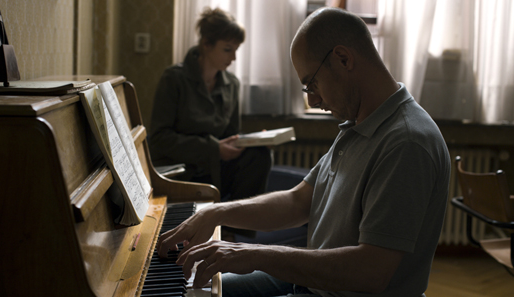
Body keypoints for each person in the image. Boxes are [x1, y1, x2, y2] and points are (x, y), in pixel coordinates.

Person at [157, 7, 450, 297]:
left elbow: (371, 271)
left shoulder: (406, 143)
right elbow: (298, 202)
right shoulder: (360, 124)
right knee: (190, 294)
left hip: (335, 290)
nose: (312, 101)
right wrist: (216, 214)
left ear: (343, 58)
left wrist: (254, 254)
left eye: (312, 83)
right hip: (313, 282)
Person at [149, 7, 272, 204]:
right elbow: (159, 139)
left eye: (236, 50)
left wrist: (250, 141)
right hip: (181, 169)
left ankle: (234, 230)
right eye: (227, 49)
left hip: (215, 168)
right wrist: (212, 149)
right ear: (206, 44)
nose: (233, 58)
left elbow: (229, 135)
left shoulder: (232, 84)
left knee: (259, 155)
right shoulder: (174, 79)